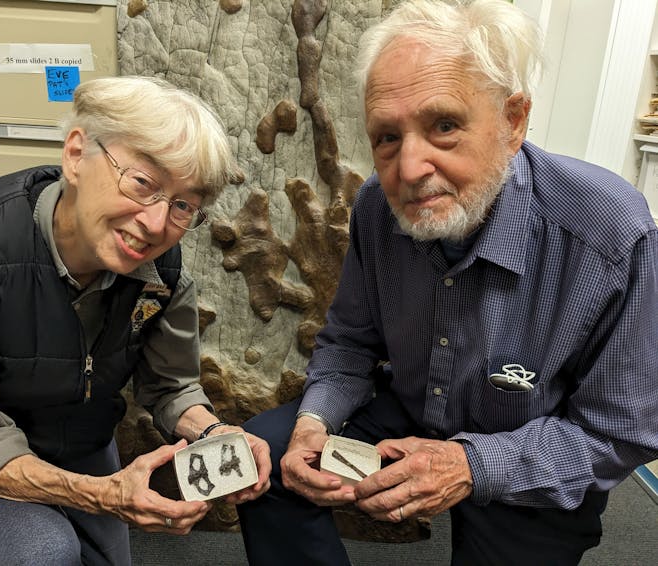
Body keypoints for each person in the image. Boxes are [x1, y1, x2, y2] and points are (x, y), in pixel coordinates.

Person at [236, 1, 658, 564]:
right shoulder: (375, 207)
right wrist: (315, 421)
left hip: (533, 442)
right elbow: (349, 343)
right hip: (413, 403)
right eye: (387, 136)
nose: (410, 168)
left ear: (513, 120)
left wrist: (470, 464)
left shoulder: (611, 231)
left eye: (444, 125)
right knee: (267, 455)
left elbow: (618, 432)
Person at [0, 75, 271, 565]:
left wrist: (214, 432)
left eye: (184, 205)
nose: (158, 224)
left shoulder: (165, 274)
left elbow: (171, 389)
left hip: (78, 436)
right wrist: (102, 495)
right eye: (143, 183)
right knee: (46, 553)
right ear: (76, 155)